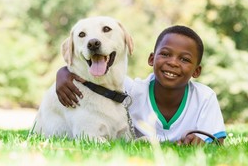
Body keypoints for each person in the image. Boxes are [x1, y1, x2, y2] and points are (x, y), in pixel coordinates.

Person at [55, 25, 227, 145]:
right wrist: (63, 73)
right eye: (166, 54)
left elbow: (217, 140)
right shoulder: (130, 90)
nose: (173, 63)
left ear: (196, 71)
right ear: (151, 59)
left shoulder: (204, 97)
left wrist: (203, 142)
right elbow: (93, 80)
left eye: (184, 59)